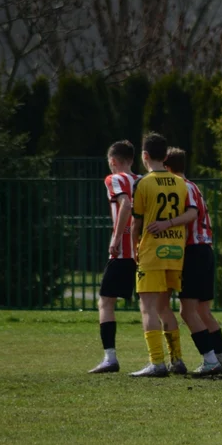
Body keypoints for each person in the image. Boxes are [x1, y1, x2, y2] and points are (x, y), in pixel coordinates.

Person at [148, 148, 222, 377]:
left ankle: (210, 360)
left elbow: (192, 214)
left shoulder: (181, 186)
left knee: (187, 311)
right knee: (203, 311)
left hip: (194, 251)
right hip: (205, 249)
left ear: (166, 166)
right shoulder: (193, 186)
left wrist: (167, 224)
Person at [129, 132, 194, 378]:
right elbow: (190, 213)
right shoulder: (179, 182)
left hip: (152, 251)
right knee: (164, 306)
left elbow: (137, 222)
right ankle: (176, 359)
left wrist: (135, 247)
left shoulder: (143, 183)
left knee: (147, 308)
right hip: (175, 251)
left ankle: (156, 363)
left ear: (144, 156)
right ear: (166, 156)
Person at [89, 141, 138, 374]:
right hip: (145, 250)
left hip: (124, 253)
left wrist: (116, 238)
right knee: (155, 305)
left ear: (113, 161)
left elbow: (126, 204)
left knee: (106, 302)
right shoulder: (142, 180)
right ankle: (173, 358)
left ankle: (110, 358)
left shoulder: (115, 179)